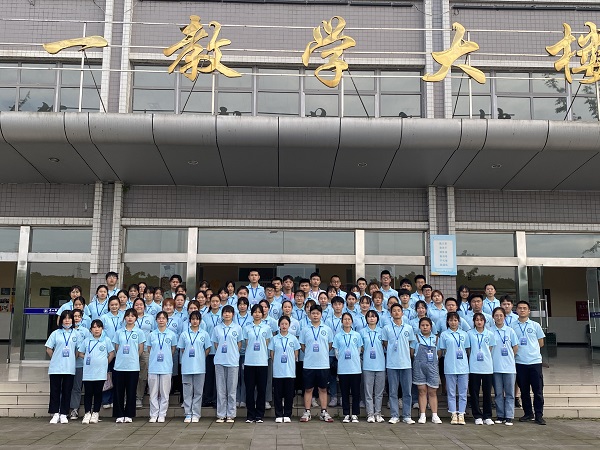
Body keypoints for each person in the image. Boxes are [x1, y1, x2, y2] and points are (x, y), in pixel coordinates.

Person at [511, 300, 546, 425]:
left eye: (524, 308)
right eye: (520, 308)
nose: (522, 310)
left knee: (538, 391)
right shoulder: (512, 326)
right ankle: (528, 413)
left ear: (529, 311)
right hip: (520, 362)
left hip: (534, 362)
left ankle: (539, 415)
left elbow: (541, 343)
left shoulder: (535, 325)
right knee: (524, 390)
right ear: (516, 310)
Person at [299, 304, 334, 423]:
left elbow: (329, 345)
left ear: (321, 315)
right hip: (309, 364)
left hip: (323, 364)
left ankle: (324, 412)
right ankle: (307, 412)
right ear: (309, 315)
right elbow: (302, 346)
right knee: (308, 389)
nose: (315, 315)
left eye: (317, 313)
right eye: (313, 313)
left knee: (323, 389)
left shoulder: (327, 329)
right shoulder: (305, 329)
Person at [383, 303, 416, 424]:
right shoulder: (387, 328)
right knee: (393, 391)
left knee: (407, 391)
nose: (396, 312)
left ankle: (407, 415)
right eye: (394, 310)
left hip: (406, 363)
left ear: (402, 313)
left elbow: (411, 343)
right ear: (391, 313)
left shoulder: (408, 328)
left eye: (398, 310)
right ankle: (394, 415)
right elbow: (385, 343)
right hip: (392, 364)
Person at [78, 319, 115, 424]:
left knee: (98, 393)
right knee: (88, 393)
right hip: (88, 372)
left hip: (100, 372)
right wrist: (87, 358)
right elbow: (80, 353)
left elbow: (111, 353)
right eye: (94, 327)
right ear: (91, 329)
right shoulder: (87, 341)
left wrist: (105, 363)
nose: (96, 329)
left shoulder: (106, 340)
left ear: (102, 329)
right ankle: (87, 413)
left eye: (98, 327)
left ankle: (95, 413)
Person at [112, 308, 145, 423]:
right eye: (128, 316)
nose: (130, 318)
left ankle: (129, 414)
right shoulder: (119, 332)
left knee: (131, 391)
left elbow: (141, 348)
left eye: (132, 316)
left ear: (136, 318)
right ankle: (119, 414)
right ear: (124, 317)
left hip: (133, 366)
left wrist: (134, 357)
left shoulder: (139, 332)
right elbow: (117, 347)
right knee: (119, 391)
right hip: (119, 366)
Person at [178, 310, 212, 423]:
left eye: (197, 319)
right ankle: (188, 413)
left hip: (200, 366)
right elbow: (182, 349)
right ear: (190, 320)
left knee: (198, 391)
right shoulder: (184, 334)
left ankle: (196, 413)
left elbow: (207, 348)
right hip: (187, 366)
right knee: (187, 391)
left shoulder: (204, 334)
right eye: (193, 319)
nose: (195, 321)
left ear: (200, 321)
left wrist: (200, 357)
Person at [438, 312, 470, 425]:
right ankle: (453, 413)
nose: (453, 322)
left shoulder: (464, 334)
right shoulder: (444, 335)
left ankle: (461, 413)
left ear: (459, 321)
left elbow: (467, 349)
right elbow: (442, 350)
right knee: (451, 392)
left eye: (455, 320)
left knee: (462, 392)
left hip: (463, 366)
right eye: (451, 320)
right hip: (450, 366)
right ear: (447, 321)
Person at [212, 305, 243, 423]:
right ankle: (221, 414)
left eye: (229, 312)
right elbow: (216, 344)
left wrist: (233, 353)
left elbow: (239, 343)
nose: (227, 314)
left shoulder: (237, 328)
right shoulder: (217, 328)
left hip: (233, 361)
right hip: (220, 361)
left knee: (231, 389)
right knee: (221, 389)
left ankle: (231, 414)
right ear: (222, 314)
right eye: (225, 312)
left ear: (233, 314)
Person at [46, 310, 78, 424]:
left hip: (69, 367)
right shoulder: (55, 333)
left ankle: (64, 413)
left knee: (67, 390)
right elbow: (49, 349)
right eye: (65, 318)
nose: (67, 320)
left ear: (72, 320)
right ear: (61, 320)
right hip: (56, 367)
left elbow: (78, 350)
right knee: (55, 390)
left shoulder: (76, 334)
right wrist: (56, 358)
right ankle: (55, 413)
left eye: (69, 318)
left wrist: (71, 359)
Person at [147, 311, 177, 423]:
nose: (161, 320)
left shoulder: (171, 334)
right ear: (156, 320)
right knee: (153, 393)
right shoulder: (152, 334)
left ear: (167, 320)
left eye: (163, 318)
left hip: (166, 367)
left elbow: (173, 349)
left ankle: (162, 414)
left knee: (164, 393)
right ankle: (153, 414)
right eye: (159, 318)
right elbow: (149, 349)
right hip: (154, 367)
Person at [243, 304, 272, 423]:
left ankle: (259, 415)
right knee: (249, 390)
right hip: (249, 362)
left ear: (263, 314)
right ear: (252, 314)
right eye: (255, 312)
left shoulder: (267, 328)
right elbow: (246, 343)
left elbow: (267, 343)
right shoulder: (247, 328)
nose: (257, 314)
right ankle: (250, 415)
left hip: (262, 362)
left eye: (259, 312)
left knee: (261, 389)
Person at [411, 317, 442, 424]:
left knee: (432, 391)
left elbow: (439, 353)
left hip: (432, 367)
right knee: (422, 390)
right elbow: (412, 353)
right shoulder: (415, 338)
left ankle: (435, 415)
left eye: (427, 325)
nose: (425, 327)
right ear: (419, 327)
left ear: (431, 327)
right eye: (422, 325)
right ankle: (422, 414)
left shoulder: (436, 339)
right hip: (419, 367)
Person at [331, 312, 361, 423]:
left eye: (349, 319)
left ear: (352, 321)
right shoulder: (338, 336)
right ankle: (346, 413)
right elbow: (336, 353)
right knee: (344, 392)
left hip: (355, 368)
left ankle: (355, 414)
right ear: (342, 321)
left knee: (356, 393)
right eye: (345, 319)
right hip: (343, 368)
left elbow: (359, 350)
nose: (347, 321)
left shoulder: (357, 335)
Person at [467, 312, 496, 425]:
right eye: (477, 320)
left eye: (481, 320)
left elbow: (490, 348)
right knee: (474, 392)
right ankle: (477, 415)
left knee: (487, 392)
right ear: (474, 322)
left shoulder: (490, 334)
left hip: (487, 366)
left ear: (484, 321)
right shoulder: (469, 334)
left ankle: (487, 416)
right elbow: (469, 349)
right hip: (474, 367)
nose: (479, 322)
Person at [270, 315, 300, 423]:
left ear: (289, 325)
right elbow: (272, 354)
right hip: (278, 371)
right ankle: (278, 414)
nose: (284, 326)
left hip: (289, 371)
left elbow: (296, 353)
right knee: (278, 394)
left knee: (289, 394)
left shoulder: (293, 339)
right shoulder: (274, 339)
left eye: (286, 324)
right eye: (282, 324)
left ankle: (287, 414)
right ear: (279, 325)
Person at [491, 306, 518, 426]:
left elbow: (515, 347)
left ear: (504, 317)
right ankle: (500, 415)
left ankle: (509, 416)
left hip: (509, 366)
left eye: (501, 315)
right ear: (493, 317)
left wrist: (509, 358)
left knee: (510, 393)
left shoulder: (510, 331)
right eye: (496, 315)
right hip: (495, 366)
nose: (499, 318)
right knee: (498, 393)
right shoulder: (490, 331)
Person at [360, 310, 385, 423]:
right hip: (367, 365)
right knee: (368, 392)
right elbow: (361, 347)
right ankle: (370, 413)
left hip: (380, 365)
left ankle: (378, 413)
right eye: (369, 317)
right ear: (366, 319)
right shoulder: (362, 332)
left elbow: (385, 345)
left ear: (377, 319)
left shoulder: (382, 331)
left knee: (379, 392)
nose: (371, 319)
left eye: (374, 317)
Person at [99, 296, 123, 409]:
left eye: (116, 304)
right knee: (106, 376)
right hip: (107, 351)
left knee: (117, 377)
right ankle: (105, 400)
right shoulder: (104, 317)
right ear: (109, 305)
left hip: (120, 351)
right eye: (112, 305)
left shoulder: (123, 316)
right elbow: (101, 333)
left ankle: (115, 399)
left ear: (119, 305)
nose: (114, 306)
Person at [133, 298, 156, 409]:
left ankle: (139, 397)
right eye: (136, 305)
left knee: (143, 375)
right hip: (132, 350)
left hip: (146, 349)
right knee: (131, 374)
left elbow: (154, 332)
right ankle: (129, 396)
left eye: (141, 304)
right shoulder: (130, 317)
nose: (139, 307)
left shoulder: (150, 318)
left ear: (144, 306)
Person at [68, 308, 90, 420]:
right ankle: (63, 409)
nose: (76, 318)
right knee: (66, 387)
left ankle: (74, 409)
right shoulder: (66, 330)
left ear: (82, 318)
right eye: (74, 316)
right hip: (66, 364)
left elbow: (88, 346)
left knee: (77, 387)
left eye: (78, 316)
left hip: (79, 364)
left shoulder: (85, 331)